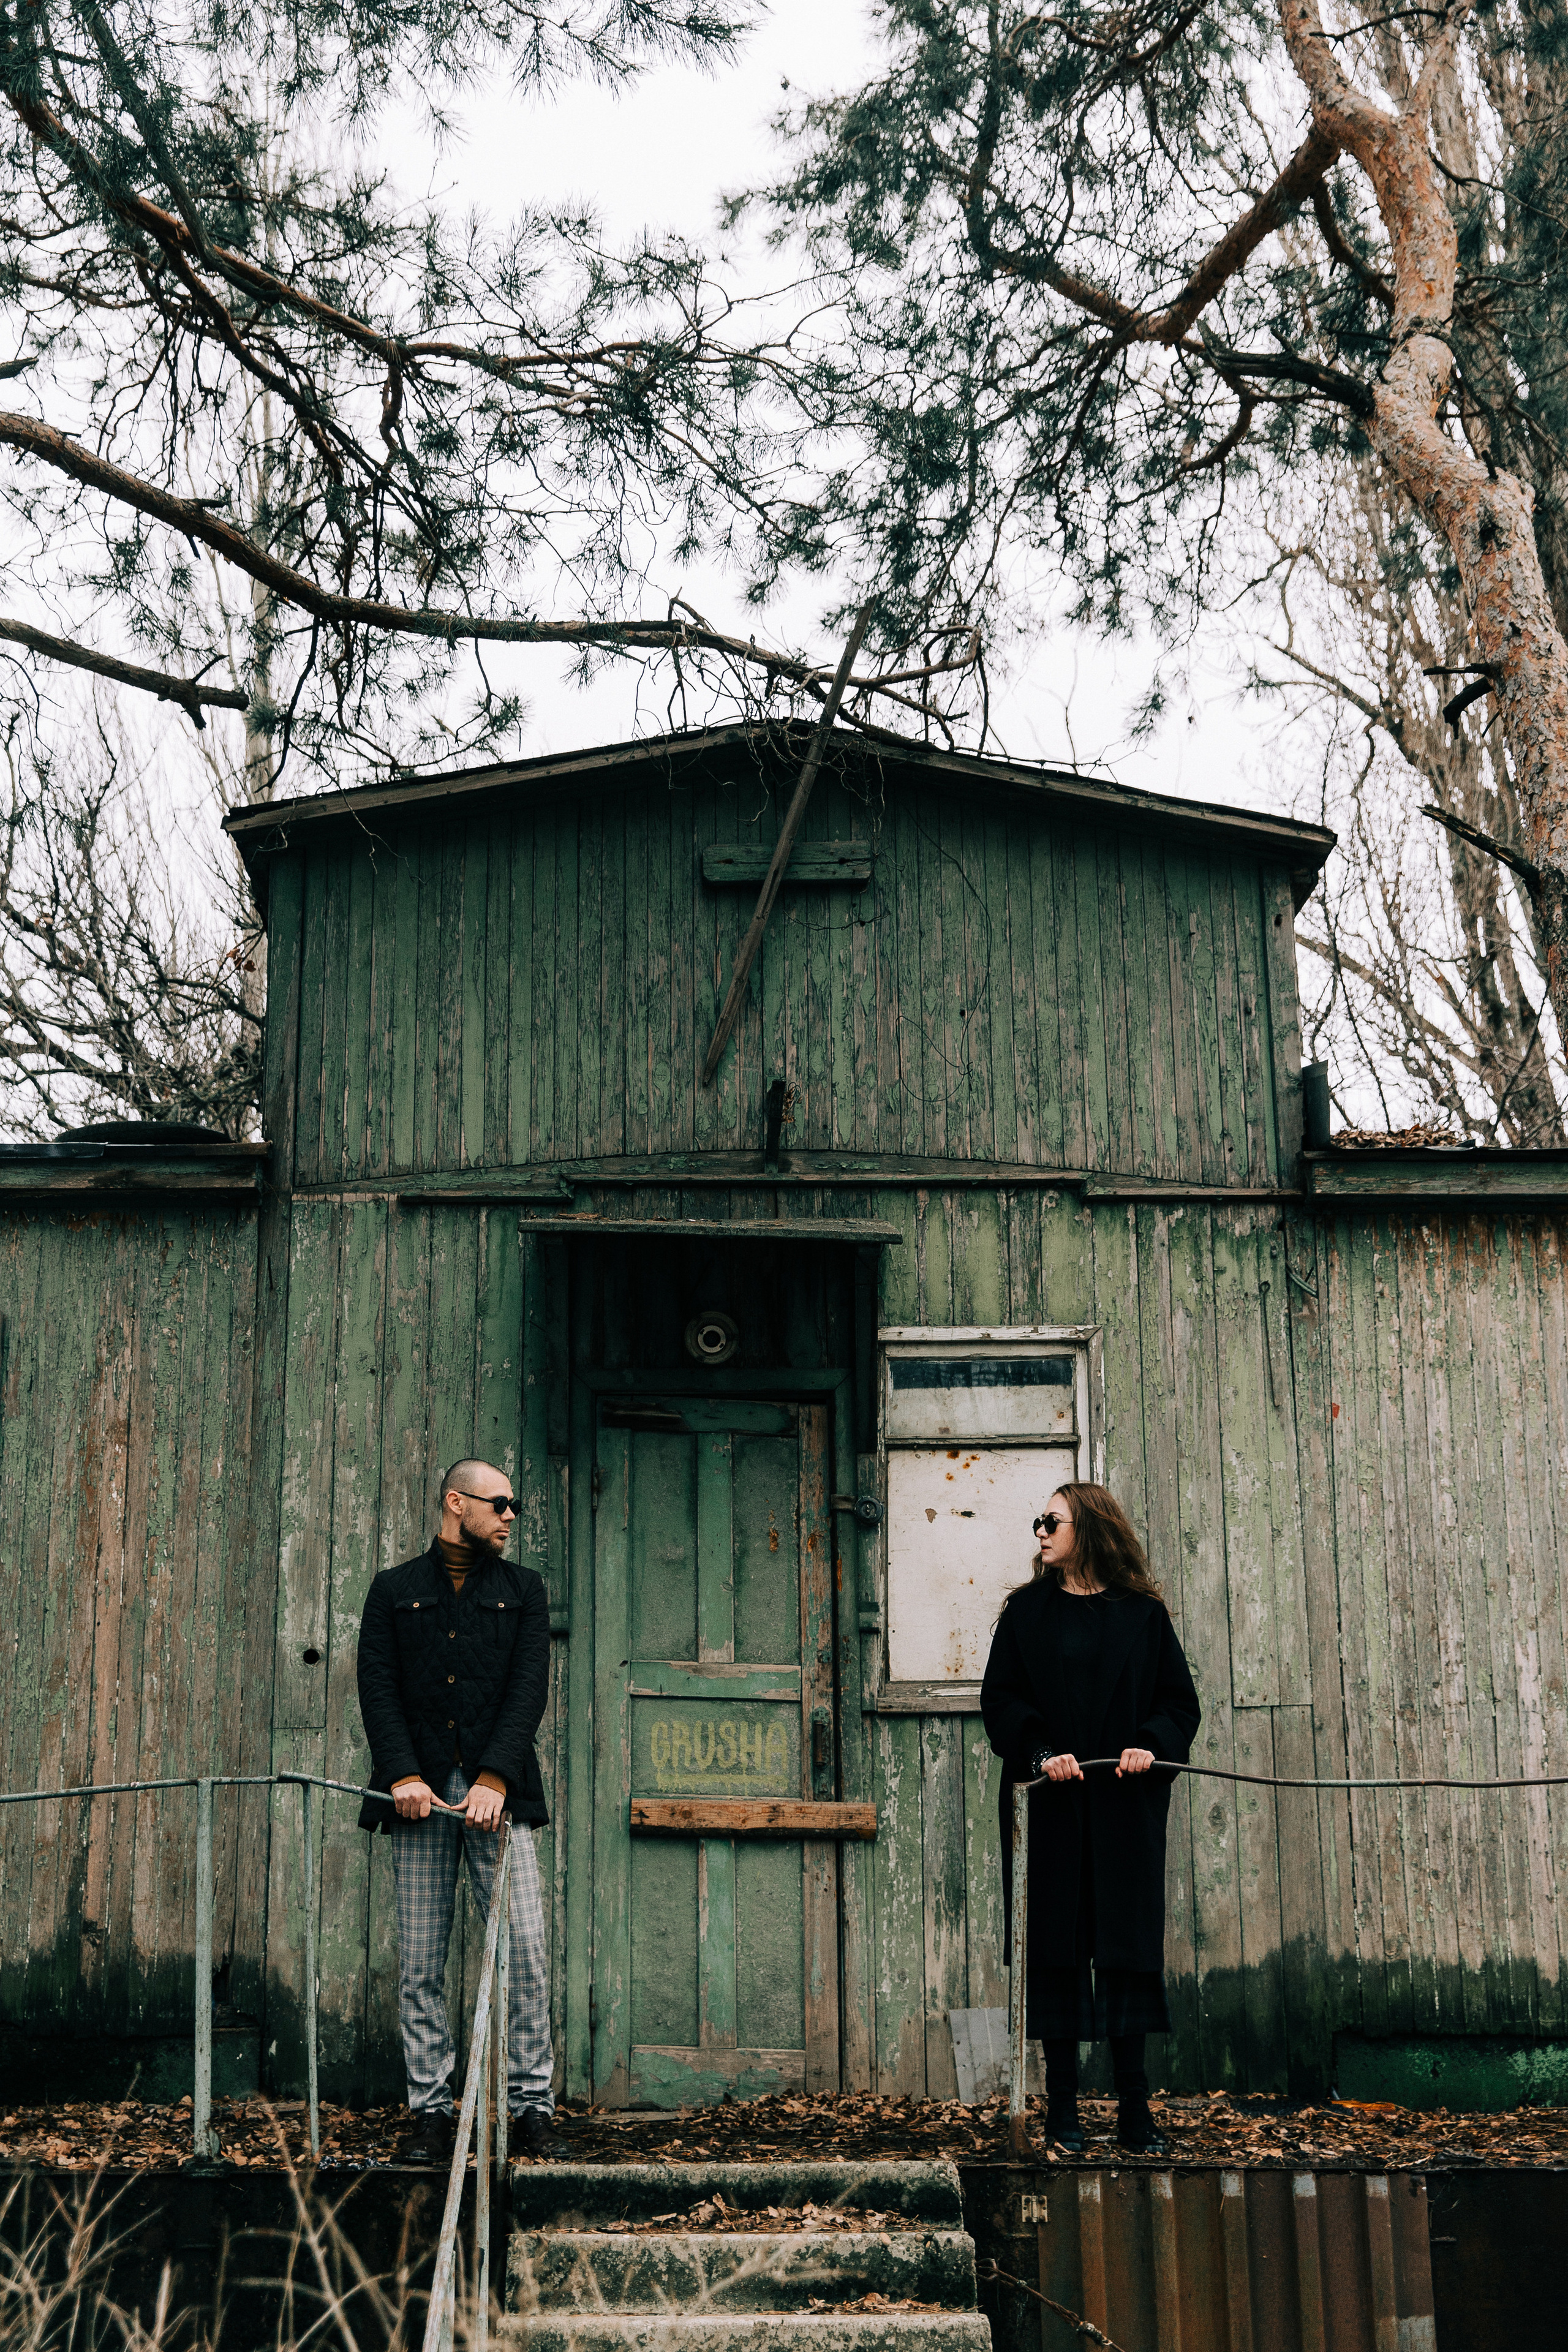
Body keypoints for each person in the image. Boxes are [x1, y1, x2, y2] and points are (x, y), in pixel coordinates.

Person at [981, 1482, 1200, 2155]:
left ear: (1091, 1529)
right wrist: (1042, 1752)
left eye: (1052, 1521)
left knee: (1126, 1950)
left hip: (1123, 1807)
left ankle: (1136, 2114)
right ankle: (1063, 2113)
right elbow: (1001, 1700)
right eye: (1038, 1519)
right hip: (1049, 1805)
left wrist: (1150, 1745)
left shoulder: (1143, 1615)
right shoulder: (1024, 1613)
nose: (1040, 1531)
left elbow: (1178, 1704)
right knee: (1055, 1948)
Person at [356, 1459, 557, 2163]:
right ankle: (431, 2115)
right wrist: (403, 1775)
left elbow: (527, 1690)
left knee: (526, 1952)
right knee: (420, 1962)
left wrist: (497, 1778)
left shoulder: (524, 1591)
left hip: (498, 1802)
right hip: (417, 1804)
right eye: (499, 1504)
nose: (510, 1516)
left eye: (513, 1505)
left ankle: (532, 2110)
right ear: (455, 1502)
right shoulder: (393, 1591)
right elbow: (377, 1689)